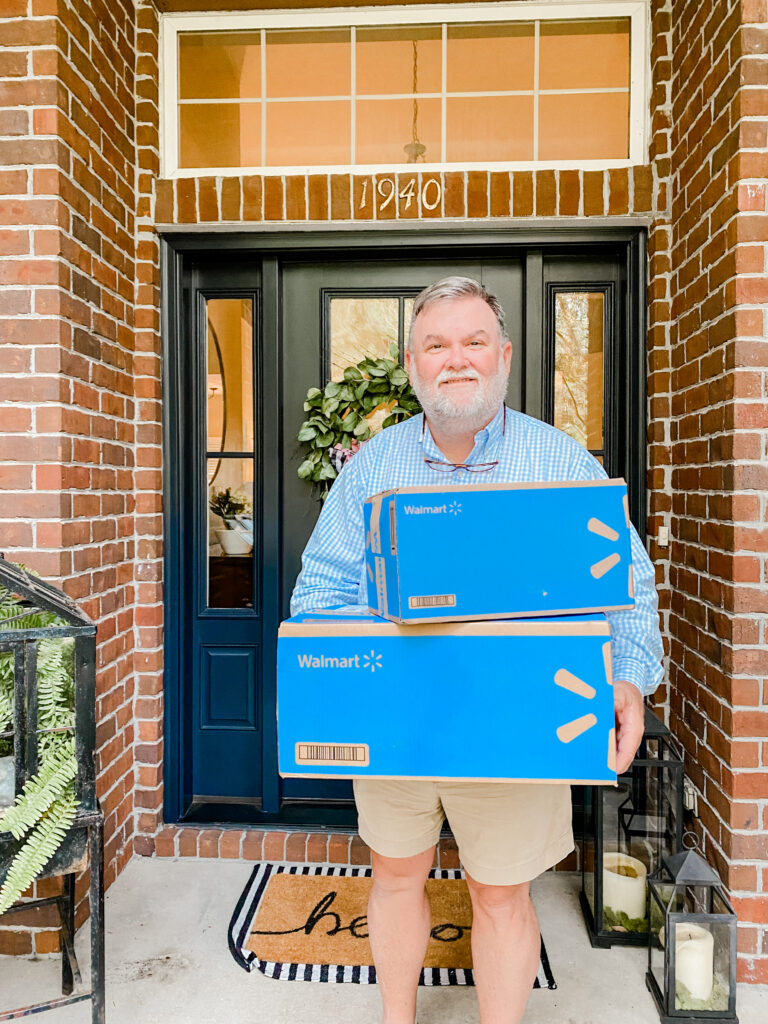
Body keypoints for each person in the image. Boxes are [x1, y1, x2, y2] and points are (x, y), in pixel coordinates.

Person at [291, 277, 663, 1024]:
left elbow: (629, 580)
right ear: (412, 363)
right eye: (436, 345)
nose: (454, 359)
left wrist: (628, 679)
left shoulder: (560, 463)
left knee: (501, 893)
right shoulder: (370, 471)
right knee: (396, 878)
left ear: (504, 355)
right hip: (402, 731)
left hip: (518, 728)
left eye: (472, 342)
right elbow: (316, 596)